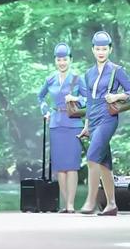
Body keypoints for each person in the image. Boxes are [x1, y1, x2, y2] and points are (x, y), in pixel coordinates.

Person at [65, 31, 129, 216]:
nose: (101, 52)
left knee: (92, 156)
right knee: (104, 163)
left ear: (110, 50)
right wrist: (86, 126)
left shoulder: (117, 70)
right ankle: (111, 205)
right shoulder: (89, 73)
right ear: (93, 50)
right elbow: (90, 102)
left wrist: (117, 96)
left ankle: (90, 201)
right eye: (98, 49)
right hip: (93, 119)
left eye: (104, 49)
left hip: (108, 118)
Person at [37, 43, 84, 213]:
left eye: (65, 59)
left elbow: (89, 100)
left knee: (72, 165)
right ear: (55, 61)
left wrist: (76, 98)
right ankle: (65, 204)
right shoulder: (50, 79)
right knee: (60, 166)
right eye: (59, 59)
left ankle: (71, 204)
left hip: (73, 124)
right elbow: (40, 97)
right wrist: (46, 111)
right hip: (56, 124)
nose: (62, 62)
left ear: (70, 60)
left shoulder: (77, 78)